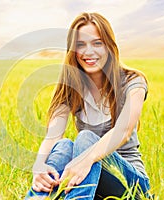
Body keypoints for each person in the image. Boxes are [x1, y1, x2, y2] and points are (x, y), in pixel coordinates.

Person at [25, 12, 151, 199]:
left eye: (97, 43)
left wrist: (87, 158)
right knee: (64, 145)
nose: (88, 52)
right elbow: (53, 136)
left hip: (131, 184)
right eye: (81, 45)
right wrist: (39, 166)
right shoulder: (72, 86)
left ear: (109, 46)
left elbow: (123, 131)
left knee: (85, 139)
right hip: (89, 178)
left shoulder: (133, 82)